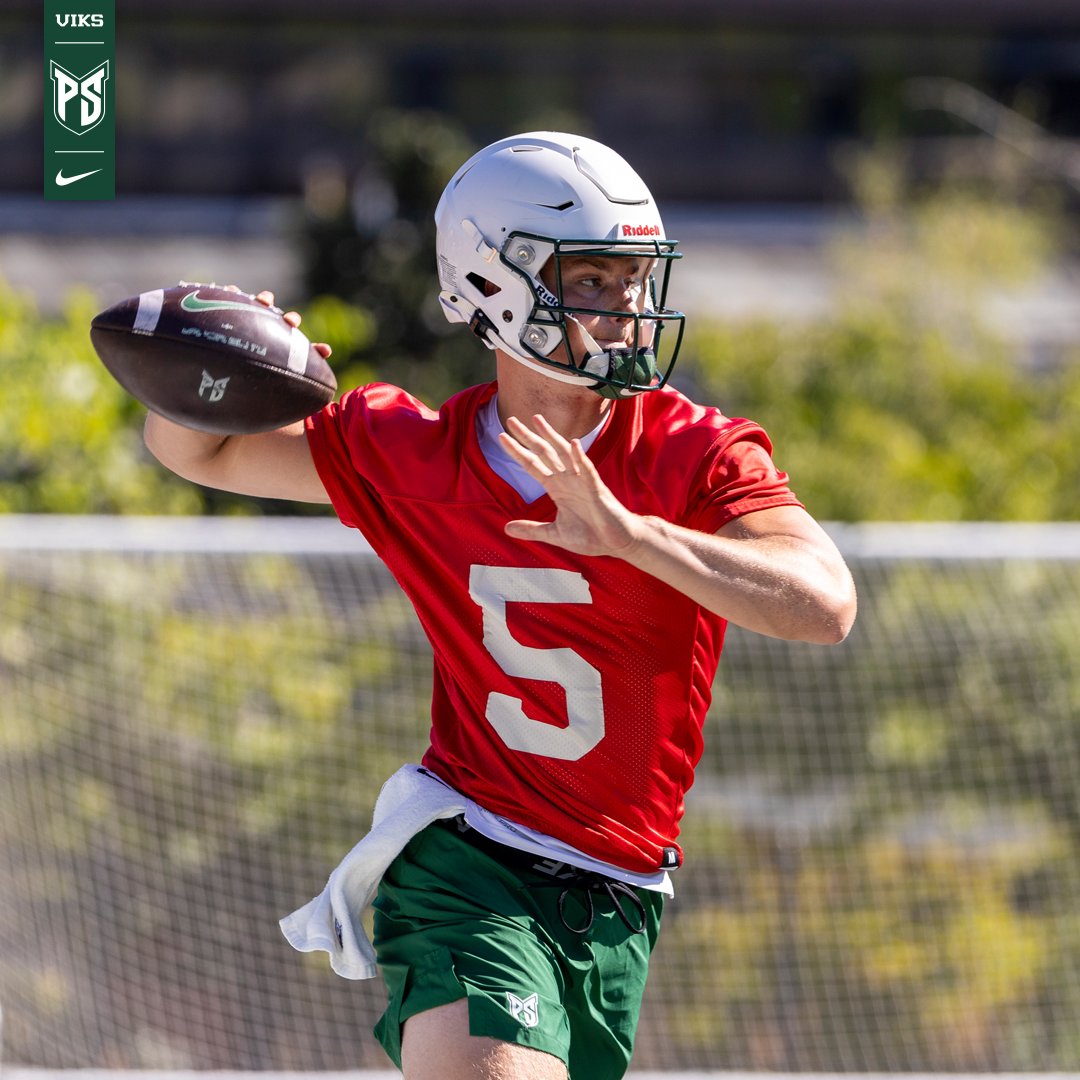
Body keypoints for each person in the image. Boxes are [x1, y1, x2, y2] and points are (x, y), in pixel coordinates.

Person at [144, 131, 857, 1080]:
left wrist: (633, 535)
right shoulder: (410, 450)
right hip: (468, 859)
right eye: (594, 281)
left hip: (621, 889)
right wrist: (210, 370)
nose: (629, 311)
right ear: (489, 286)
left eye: (637, 280)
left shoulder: (694, 451)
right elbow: (201, 454)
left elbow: (825, 604)